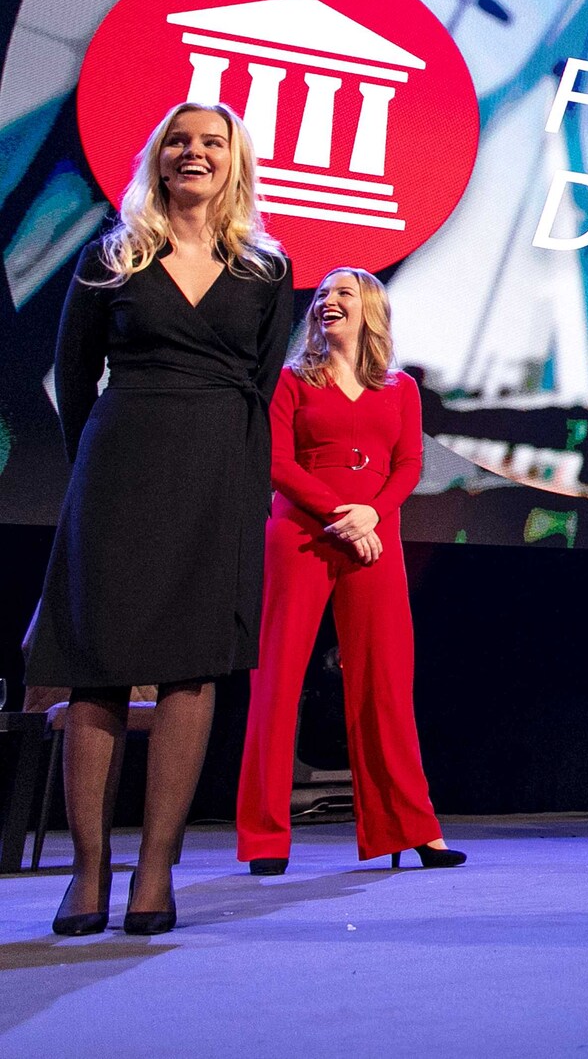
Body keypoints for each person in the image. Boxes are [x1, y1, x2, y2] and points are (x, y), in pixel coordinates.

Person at [24, 102, 291, 936]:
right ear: (159, 158)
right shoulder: (113, 253)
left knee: (191, 666)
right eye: (180, 140)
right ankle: (89, 870)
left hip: (219, 471)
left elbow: (260, 383)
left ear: (235, 161)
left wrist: (241, 484)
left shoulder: (266, 268)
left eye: (212, 141)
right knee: (95, 663)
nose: (194, 152)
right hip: (118, 465)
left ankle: (155, 869)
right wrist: (100, 465)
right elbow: (74, 378)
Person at [236, 267, 465, 875]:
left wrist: (373, 515)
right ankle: (265, 838)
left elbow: (409, 466)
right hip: (302, 534)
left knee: (385, 683)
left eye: (343, 293)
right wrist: (343, 513)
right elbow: (277, 463)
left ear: (370, 310)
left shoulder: (400, 389)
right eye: (324, 294)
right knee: (277, 680)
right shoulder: (292, 381)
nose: (328, 301)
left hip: (375, 538)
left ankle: (413, 828)